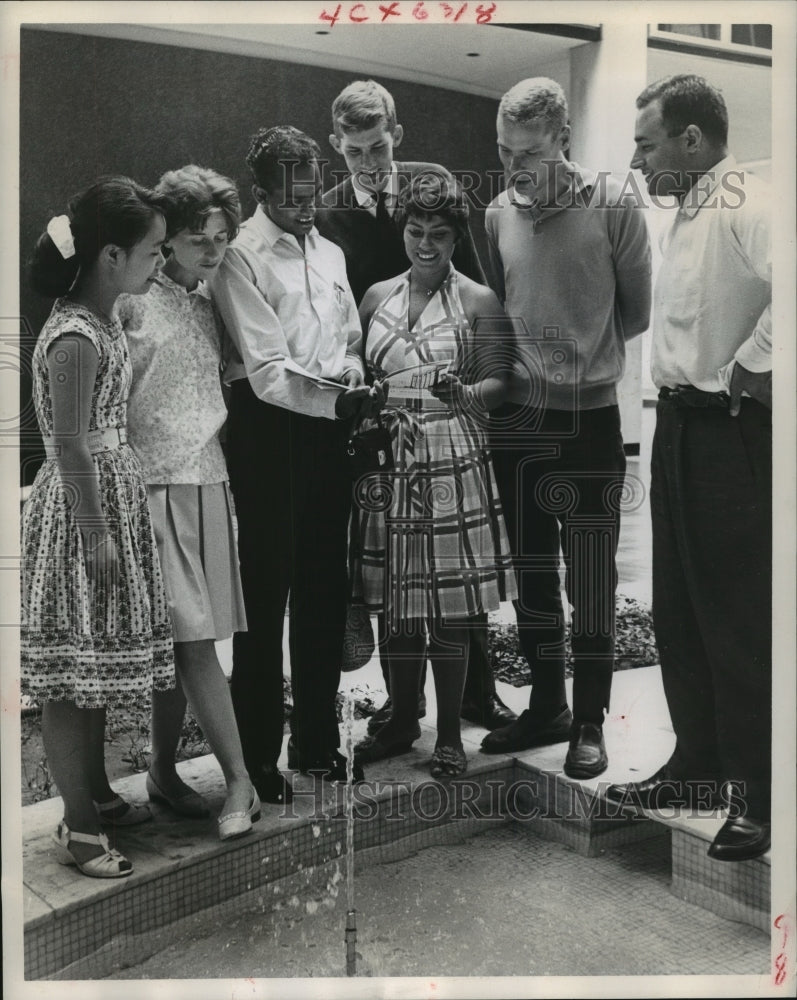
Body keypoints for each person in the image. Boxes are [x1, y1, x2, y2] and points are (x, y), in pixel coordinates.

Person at [316, 77, 516, 735]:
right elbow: (345, 316)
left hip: (448, 405)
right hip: (380, 412)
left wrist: (471, 377)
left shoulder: (431, 181)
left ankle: (476, 695)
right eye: (355, 152)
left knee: (457, 572)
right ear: (336, 148)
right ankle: (403, 707)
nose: (370, 163)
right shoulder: (328, 213)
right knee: (394, 573)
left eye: (378, 147)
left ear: (396, 137)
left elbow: (477, 283)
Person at [607, 75, 772, 862]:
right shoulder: (688, 211)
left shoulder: (745, 198)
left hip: (726, 431)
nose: (635, 159)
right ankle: (699, 766)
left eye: (646, 142)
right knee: (677, 607)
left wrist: (754, 362)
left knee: (737, 616)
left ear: (691, 140)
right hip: (675, 424)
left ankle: (759, 793)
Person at [479, 77, 652, 778]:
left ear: (563, 141)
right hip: (519, 423)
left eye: (529, 151)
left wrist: (579, 354)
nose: (514, 164)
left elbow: (635, 311)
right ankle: (546, 704)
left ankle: (588, 721)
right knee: (531, 574)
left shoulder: (613, 202)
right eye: (503, 150)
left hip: (589, 421)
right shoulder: (496, 213)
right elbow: (503, 301)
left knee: (589, 577)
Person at [209, 126, 383, 800]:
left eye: (314, 196)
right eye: (293, 198)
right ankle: (256, 759)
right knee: (265, 595)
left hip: (327, 434)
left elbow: (345, 338)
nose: (308, 209)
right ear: (260, 192)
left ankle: (315, 742)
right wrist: (339, 402)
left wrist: (353, 374)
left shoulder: (332, 253)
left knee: (322, 589)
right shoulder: (240, 257)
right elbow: (266, 367)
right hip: (268, 434)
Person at [21, 177, 175, 878]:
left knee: (92, 667)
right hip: (80, 510)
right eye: (153, 250)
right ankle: (77, 826)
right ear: (111, 255)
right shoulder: (75, 336)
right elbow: (70, 444)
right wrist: (96, 531)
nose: (160, 263)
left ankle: (98, 793)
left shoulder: (104, 316)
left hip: (108, 495)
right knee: (66, 674)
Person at [351, 170, 517, 778]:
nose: (425, 244)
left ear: (455, 238)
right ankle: (400, 721)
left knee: (450, 604)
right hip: (389, 457)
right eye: (415, 231)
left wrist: (465, 390)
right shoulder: (375, 297)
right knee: (396, 601)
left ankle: (449, 732)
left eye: (438, 235)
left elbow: (503, 385)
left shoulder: (477, 300)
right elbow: (360, 370)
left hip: (451, 453)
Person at [119, 165, 259, 840]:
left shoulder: (210, 305)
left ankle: (161, 774)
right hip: (150, 485)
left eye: (222, 237)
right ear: (167, 237)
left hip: (207, 483)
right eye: (197, 237)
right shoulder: (130, 304)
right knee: (190, 642)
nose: (211, 249)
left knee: (183, 643)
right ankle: (239, 781)